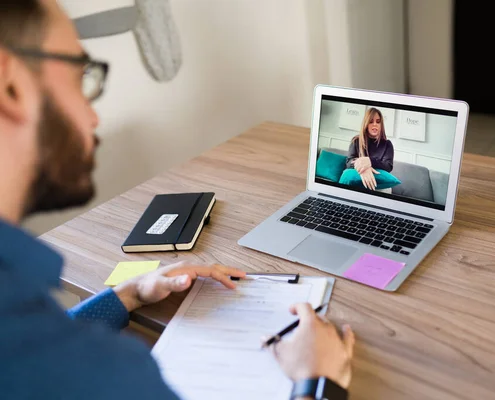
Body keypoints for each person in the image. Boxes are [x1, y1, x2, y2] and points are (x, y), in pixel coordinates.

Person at [0, 1, 355, 399]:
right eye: (79, 76)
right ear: (10, 83)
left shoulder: (21, 318)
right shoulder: (102, 373)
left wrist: (129, 293)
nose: (92, 116)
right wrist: (318, 381)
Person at [346, 107, 394, 191]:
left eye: (378, 122)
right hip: (359, 180)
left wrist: (370, 161)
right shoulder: (356, 140)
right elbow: (349, 162)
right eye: (371, 121)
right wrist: (364, 168)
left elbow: (388, 166)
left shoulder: (387, 144)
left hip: (380, 185)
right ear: (366, 124)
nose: (375, 124)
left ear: (381, 125)